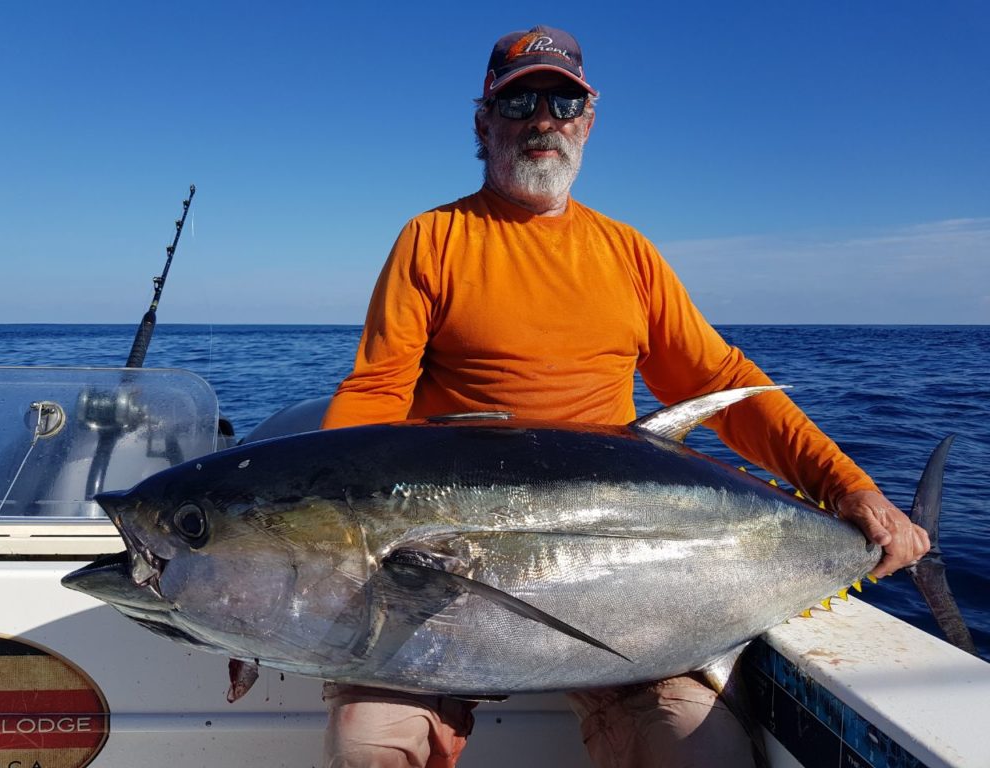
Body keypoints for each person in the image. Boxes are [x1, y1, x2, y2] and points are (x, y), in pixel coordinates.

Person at [319, 24, 930, 768]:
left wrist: (849, 487)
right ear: (484, 123)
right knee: (368, 747)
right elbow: (377, 391)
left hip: (616, 558)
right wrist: (273, 604)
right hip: (459, 557)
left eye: (563, 102)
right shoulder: (435, 238)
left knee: (699, 752)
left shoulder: (627, 253)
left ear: (589, 120)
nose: (543, 119)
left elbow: (719, 385)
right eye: (520, 104)